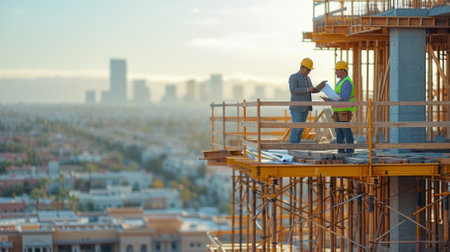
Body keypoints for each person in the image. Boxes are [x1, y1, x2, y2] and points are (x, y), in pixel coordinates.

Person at [321, 61, 356, 153]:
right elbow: (338, 96)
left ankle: (350, 149)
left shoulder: (347, 82)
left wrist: (329, 100)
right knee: (339, 131)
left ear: (343, 71)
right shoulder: (341, 82)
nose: (335, 72)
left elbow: (344, 99)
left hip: (344, 110)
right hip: (338, 110)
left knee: (345, 130)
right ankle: (340, 150)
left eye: (337, 70)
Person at [288, 58, 320, 144]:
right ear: (302, 68)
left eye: (310, 70)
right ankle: (292, 146)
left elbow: (310, 89)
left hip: (305, 107)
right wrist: (306, 89)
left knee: (301, 128)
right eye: (308, 69)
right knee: (297, 127)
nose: (309, 71)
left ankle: (297, 145)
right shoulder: (294, 77)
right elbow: (293, 90)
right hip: (296, 108)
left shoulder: (308, 78)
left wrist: (318, 89)